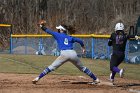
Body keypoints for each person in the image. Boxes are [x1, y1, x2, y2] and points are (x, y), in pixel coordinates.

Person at [32, 20, 100, 84]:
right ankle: (96, 79)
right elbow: (80, 41)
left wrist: (41, 26)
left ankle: (38, 78)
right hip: (73, 54)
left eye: (59, 29)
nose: (58, 30)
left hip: (64, 54)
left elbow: (47, 30)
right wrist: (83, 48)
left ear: (62, 30)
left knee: (51, 67)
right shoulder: (70, 37)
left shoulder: (57, 35)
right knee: (83, 68)